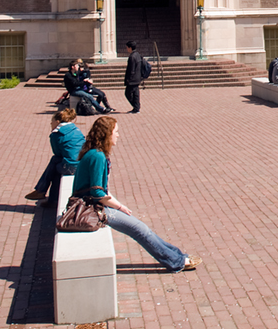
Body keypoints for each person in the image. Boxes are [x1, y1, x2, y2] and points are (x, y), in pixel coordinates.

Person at [72, 116, 200, 271]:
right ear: (107, 134)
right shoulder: (98, 156)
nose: (118, 135)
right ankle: (176, 262)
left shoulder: (94, 153)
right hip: (92, 209)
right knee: (140, 230)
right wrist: (118, 206)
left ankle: (176, 255)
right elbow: (97, 192)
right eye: (116, 132)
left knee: (141, 227)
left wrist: (120, 206)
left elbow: (100, 190)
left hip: (92, 205)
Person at [25, 107, 85, 206]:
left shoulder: (56, 134)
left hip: (72, 167)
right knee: (56, 166)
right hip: (81, 163)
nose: (51, 124)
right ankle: (45, 194)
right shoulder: (76, 129)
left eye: (51, 122)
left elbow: (57, 152)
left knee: (55, 163)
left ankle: (42, 191)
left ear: (57, 121)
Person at [123, 41, 145, 113]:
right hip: (138, 78)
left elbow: (131, 69)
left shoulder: (132, 57)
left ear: (130, 48)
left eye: (127, 47)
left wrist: (129, 79)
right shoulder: (138, 55)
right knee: (135, 93)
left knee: (128, 93)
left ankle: (136, 107)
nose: (127, 49)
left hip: (133, 79)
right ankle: (136, 108)